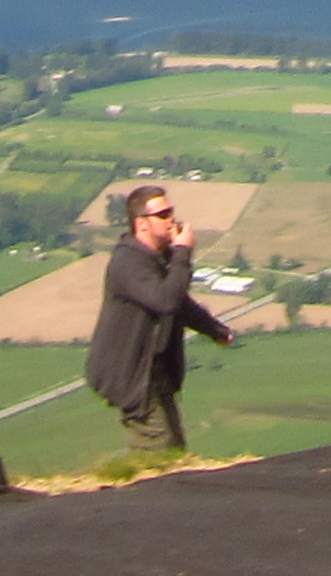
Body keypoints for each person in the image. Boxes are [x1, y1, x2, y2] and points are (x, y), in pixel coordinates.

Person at [85, 184, 235, 454]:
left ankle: (135, 480)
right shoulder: (128, 262)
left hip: (154, 372)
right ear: (141, 224)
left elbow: (180, 304)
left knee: (174, 448)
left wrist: (214, 330)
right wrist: (182, 253)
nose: (172, 220)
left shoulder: (158, 258)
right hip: (131, 374)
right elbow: (165, 301)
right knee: (159, 453)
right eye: (163, 215)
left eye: (171, 212)